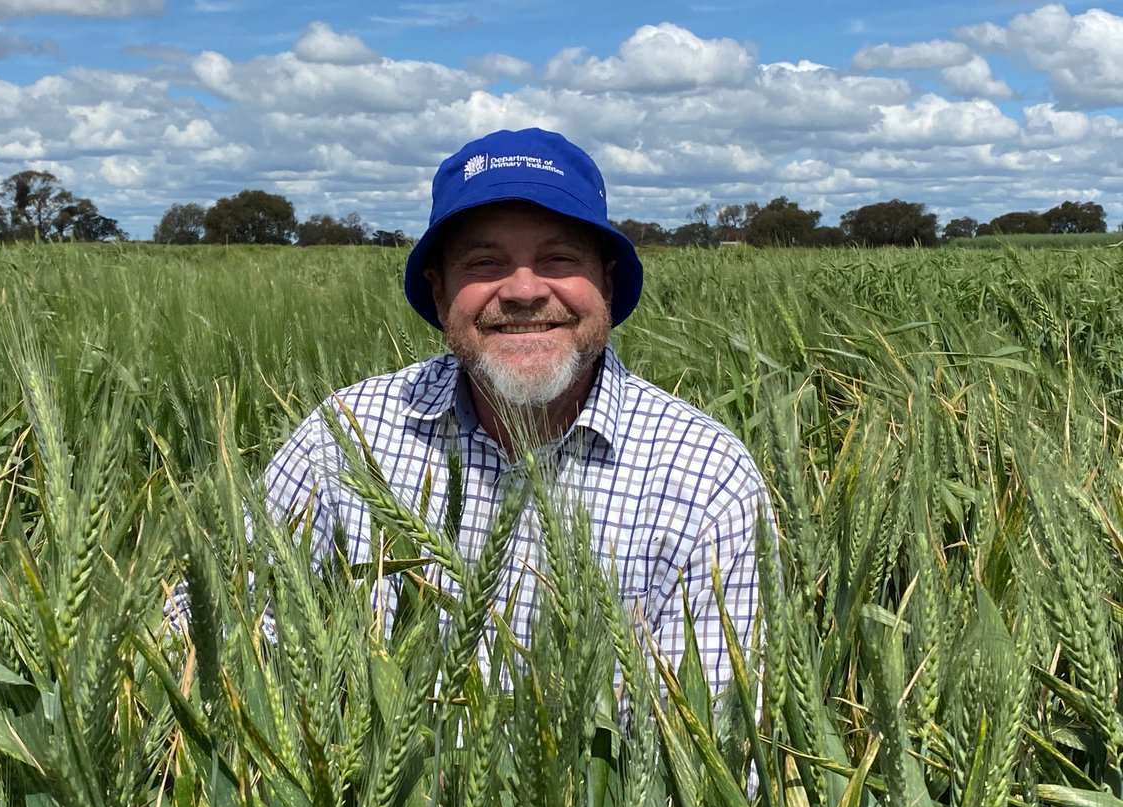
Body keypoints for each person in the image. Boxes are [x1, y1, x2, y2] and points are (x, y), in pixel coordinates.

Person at [262, 127, 771, 697]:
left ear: (606, 281)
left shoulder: (705, 477)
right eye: (484, 262)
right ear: (438, 293)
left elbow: (716, 741)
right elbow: (230, 636)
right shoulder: (345, 436)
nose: (524, 290)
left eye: (559, 257)